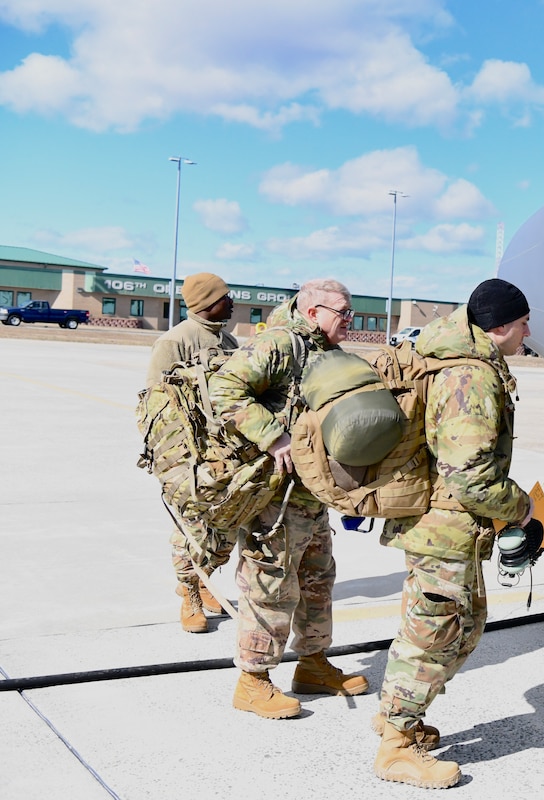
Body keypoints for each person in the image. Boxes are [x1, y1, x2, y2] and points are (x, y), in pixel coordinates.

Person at [373, 278, 534, 789]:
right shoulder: (470, 375)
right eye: (524, 321)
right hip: (444, 527)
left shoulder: (457, 360)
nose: (530, 330)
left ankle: (399, 716)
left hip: (439, 526)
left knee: (456, 626)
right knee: (434, 633)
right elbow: (468, 476)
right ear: (502, 327)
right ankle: (395, 747)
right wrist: (521, 507)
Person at [208, 278, 369, 720]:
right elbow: (223, 390)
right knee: (270, 584)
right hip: (274, 496)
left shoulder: (328, 353)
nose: (349, 320)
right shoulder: (280, 344)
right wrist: (273, 438)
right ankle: (253, 680)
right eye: (343, 312)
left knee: (318, 578)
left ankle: (313, 664)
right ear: (313, 311)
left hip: (311, 495)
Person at [145, 272, 238, 634]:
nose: (232, 302)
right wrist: (174, 463)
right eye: (225, 297)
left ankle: (203, 579)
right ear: (206, 302)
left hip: (226, 455)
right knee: (191, 527)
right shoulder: (173, 342)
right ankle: (189, 593)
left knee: (225, 526)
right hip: (188, 456)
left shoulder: (227, 340)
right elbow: (154, 404)